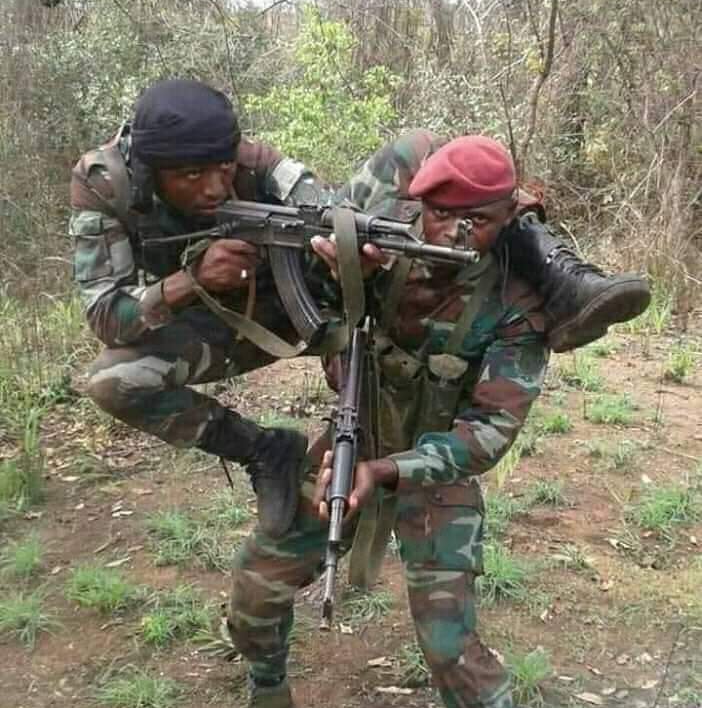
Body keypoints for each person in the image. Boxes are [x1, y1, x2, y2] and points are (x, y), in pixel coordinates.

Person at [189, 135, 575, 708]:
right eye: (432, 213)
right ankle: (269, 700)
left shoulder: (519, 297)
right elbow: (304, 306)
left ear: (500, 217)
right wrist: (338, 272)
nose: (443, 231)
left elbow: (487, 435)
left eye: (465, 220)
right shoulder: (379, 223)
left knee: (451, 650)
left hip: (432, 474)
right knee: (257, 587)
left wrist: (391, 471)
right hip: (353, 438)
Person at [70, 79, 649, 544]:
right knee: (113, 381)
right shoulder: (105, 186)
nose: (215, 187)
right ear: (151, 173)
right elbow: (105, 316)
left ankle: (560, 274)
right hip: (213, 317)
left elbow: (325, 206)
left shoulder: (254, 161)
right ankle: (264, 451)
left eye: (223, 167)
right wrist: (189, 281)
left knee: (420, 150)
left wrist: (345, 253)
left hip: (299, 306)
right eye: (191, 177)